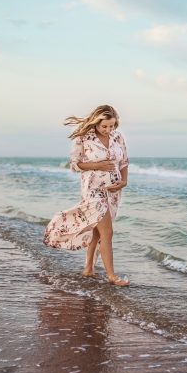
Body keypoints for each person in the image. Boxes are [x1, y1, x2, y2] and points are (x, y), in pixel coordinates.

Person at [43, 104, 130, 286]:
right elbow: (75, 165)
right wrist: (96, 166)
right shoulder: (84, 137)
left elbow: (123, 162)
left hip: (113, 191)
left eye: (112, 125)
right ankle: (112, 277)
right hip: (92, 189)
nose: (108, 130)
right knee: (107, 232)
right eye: (104, 126)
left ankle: (88, 269)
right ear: (96, 123)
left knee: (98, 232)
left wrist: (124, 181)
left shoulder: (118, 136)